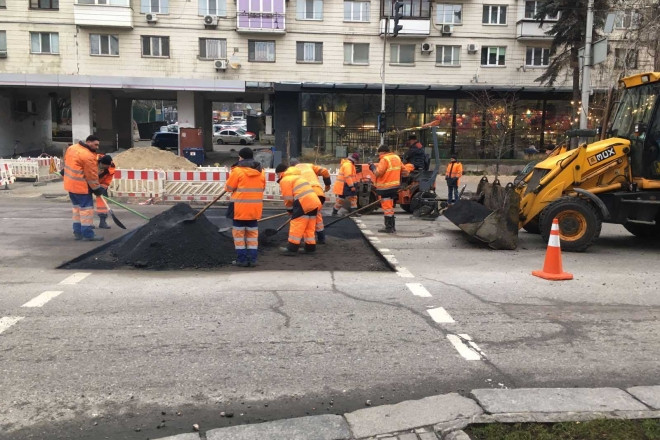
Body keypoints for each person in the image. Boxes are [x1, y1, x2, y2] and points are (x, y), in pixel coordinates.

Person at [224, 147, 266, 267]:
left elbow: (228, 188)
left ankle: (241, 260)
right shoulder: (261, 171)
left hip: (239, 208)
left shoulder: (237, 171)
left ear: (241, 157)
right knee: (252, 236)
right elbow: (262, 188)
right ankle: (252, 260)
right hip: (255, 209)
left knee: (239, 236)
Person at [63, 135, 104, 241]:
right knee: (86, 211)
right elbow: (91, 175)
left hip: (70, 186)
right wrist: (96, 188)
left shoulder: (72, 148)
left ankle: (77, 232)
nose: (97, 147)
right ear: (88, 142)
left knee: (77, 210)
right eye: (95, 144)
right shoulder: (88, 156)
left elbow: (67, 161)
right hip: (81, 188)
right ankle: (88, 234)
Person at [276, 163, 322, 256]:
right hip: (314, 202)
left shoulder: (285, 179)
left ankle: (292, 248)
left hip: (303, 202)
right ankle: (310, 248)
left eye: (277, 174)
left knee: (297, 224)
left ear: (280, 173)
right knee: (309, 226)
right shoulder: (298, 177)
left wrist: (290, 210)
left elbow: (288, 198)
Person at [290, 158, 332, 244]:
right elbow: (324, 171)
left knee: (303, 217)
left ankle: (300, 239)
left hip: (307, 195)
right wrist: (327, 185)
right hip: (318, 193)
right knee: (316, 214)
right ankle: (321, 237)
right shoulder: (309, 166)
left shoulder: (293, 172)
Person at [370, 145, 402, 233]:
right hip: (394, 186)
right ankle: (392, 226)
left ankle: (389, 227)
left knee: (387, 207)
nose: (379, 155)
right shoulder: (397, 157)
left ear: (383, 152)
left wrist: (372, 167)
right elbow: (404, 171)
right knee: (390, 206)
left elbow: (377, 173)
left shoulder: (384, 159)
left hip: (386, 187)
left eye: (379, 153)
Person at [332, 152, 360, 217]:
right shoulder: (348, 165)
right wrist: (352, 186)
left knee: (345, 198)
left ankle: (335, 212)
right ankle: (353, 212)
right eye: (357, 160)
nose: (357, 162)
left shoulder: (349, 164)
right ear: (355, 160)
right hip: (345, 185)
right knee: (351, 198)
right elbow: (348, 176)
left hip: (344, 185)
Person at [95, 154, 115, 229]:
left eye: (108, 166)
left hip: (101, 184)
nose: (107, 168)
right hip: (87, 182)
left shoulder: (111, 168)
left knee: (102, 203)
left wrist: (102, 188)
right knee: (87, 203)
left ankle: (102, 221)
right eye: (105, 166)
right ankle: (87, 223)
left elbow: (107, 181)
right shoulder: (92, 160)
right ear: (101, 163)